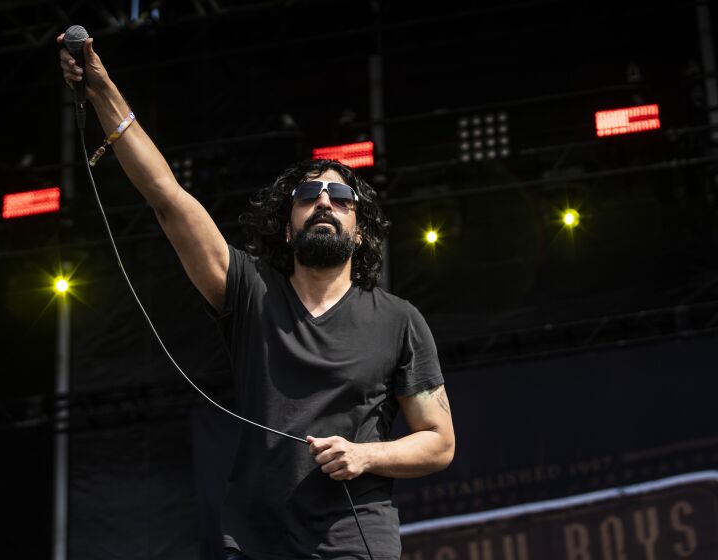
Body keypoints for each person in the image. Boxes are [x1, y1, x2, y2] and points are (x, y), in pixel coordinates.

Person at [58, 33, 455, 560]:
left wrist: (365, 456)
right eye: (307, 195)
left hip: (351, 541)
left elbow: (439, 441)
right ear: (287, 229)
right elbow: (167, 197)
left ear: (359, 230)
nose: (322, 202)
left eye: (339, 196)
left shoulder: (399, 320)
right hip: (254, 539)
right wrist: (102, 89)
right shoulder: (249, 290)